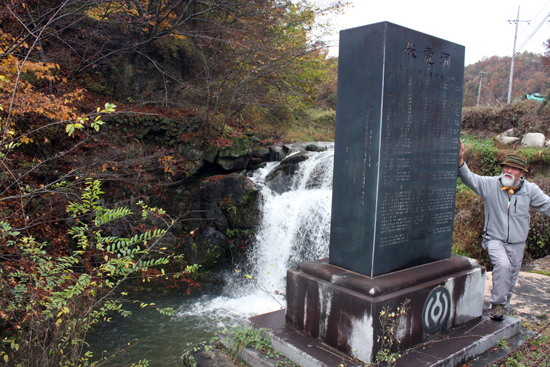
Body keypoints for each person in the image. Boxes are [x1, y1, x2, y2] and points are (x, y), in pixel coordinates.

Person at [458, 141, 550, 320]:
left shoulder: (530, 190)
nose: (508, 171)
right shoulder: (491, 185)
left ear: (522, 174)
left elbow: (547, 205)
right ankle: (498, 304)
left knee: (511, 279)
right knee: (503, 265)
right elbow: (469, 177)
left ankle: (501, 314)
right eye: (506, 167)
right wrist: (460, 159)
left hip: (517, 243)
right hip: (494, 239)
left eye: (514, 169)